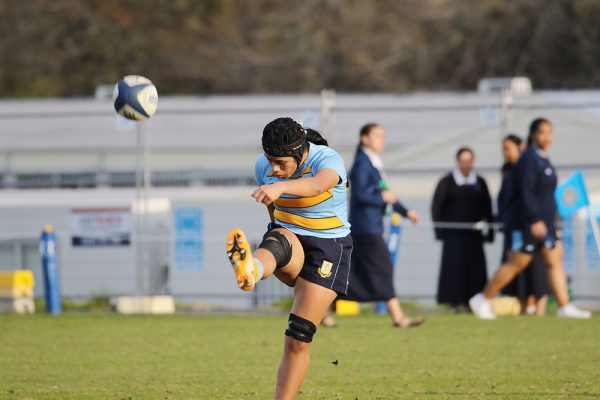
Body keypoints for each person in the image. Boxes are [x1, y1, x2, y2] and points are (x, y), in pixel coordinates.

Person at [225, 117, 353, 399]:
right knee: (277, 240)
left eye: (281, 163)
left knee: (298, 337)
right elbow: (274, 214)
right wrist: (276, 217)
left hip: (328, 247)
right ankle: (251, 270)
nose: (273, 169)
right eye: (270, 160)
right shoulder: (264, 167)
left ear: (299, 153)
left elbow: (319, 185)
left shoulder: (328, 159)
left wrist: (280, 187)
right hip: (290, 236)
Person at [469, 118, 591, 319]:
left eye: (549, 133)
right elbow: (526, 191)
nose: (546, 137)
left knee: (554, 258)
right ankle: (483, 299)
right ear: (533, 134)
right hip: (528, 224)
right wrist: (534, 219)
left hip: (545, 224)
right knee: (517, 262)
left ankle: (564, 306)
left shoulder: (544, 160)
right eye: (542, 132)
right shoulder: (528, 159)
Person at [338, 123, 423, 328]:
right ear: (364, 138)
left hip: (370, 228)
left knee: (353, 274)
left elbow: (388, 195)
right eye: (377, 135)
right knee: (383, 268)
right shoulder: (362, 163)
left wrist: (406, 212)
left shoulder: (373, 163)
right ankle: (398, 317)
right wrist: (381, 196)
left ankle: (326, 308)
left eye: (382, 136)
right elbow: (360, 195)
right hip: (365, 229)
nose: (381, 140)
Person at [431, 147, 494, 311]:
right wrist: (440, 231)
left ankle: (473, 301)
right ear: (457, 162)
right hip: (453, 236)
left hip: (474, 235)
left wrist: (490, 231)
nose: (466, 165)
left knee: (475, 271)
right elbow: (437, 207)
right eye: (463, 161)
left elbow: (487, 207)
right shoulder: (446, 182)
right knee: (454, 270)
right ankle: (454, 302)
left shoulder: (480, 182)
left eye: (469, 161)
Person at [498, 134, 549, 316]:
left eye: (508, 148)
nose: (505, 153)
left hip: (530, 226)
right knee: (518, 269)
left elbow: (531, 197)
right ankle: (524, 307)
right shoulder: (507, 170)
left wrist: (535, 219)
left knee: (537, 266)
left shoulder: (529, 167)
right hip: (516, 227)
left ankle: (540, 308)